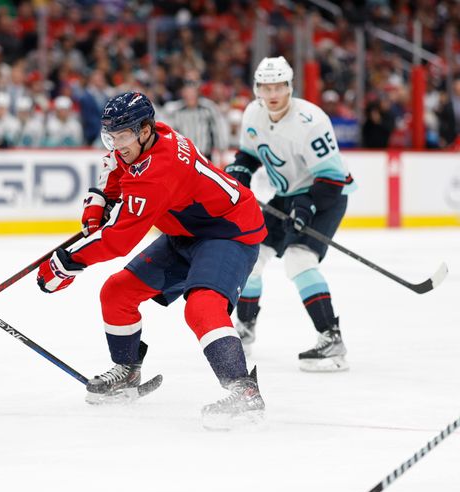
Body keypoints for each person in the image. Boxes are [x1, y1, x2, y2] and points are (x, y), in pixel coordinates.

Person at [36, 92, 268, 430]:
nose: (116, 144)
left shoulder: (159, 169)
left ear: (144, 130)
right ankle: (128, 371)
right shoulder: (148, 138)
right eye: (110, 135)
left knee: (202, 307)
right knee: (116, 292)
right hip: (186, 233)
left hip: (228, 233)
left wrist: (65, 263)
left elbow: (119, 239)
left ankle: (244, 391)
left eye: (123, 135)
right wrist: (100, 200)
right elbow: (114, 165)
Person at [224, 57, 355, 372]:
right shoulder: (253, 113)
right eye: (266, 87)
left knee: (298, 259)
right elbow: (250, 154)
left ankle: (331, 337)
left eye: (279, 86)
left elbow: (332, 178)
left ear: (289, 87)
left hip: (325, 196)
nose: (273, 93)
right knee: (252, 256)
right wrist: (239, 174)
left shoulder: (311, 120)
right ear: (257, 88)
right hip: (286, 196)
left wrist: (308, 204)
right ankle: (244, 329)